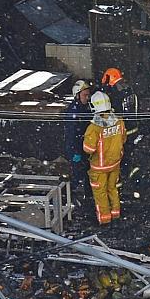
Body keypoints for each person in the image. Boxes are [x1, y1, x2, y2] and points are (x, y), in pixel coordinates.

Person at [82, 91, 127, 225]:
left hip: (99, 167)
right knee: (112, 188)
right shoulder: (119, 121)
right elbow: (123, 139)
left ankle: (105, 219)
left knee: (100, 193)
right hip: (115, 163)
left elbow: (88, 149)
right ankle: (116, 214)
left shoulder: (94, 127)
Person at [62, 80, 95, 221]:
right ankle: (66, 199)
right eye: (85, 95)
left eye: (88, 95)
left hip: (85, 148)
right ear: (77, 95)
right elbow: (70, 135)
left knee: (87, 174)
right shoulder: (73, 112)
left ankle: (87, 199)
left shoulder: (86, 108)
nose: (87, 97)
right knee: (77, 175)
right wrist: (74, 153)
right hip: (77, 148)